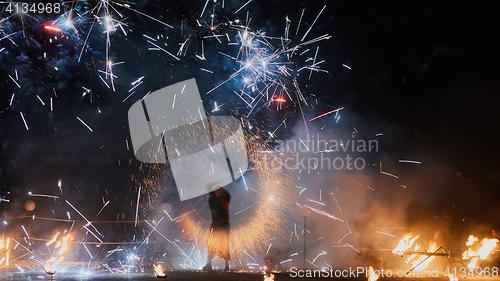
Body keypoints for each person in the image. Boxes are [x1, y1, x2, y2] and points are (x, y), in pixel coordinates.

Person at [203, 187, 231, 271]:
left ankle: (226, 265)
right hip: (217, 224)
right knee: (212, 244)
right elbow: (218, 205)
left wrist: (220, 192)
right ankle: (210, 264)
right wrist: (220, 194)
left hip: (222, 224)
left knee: (224, 245)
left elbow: (226, 196)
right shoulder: (213, 200)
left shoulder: (223, 198)